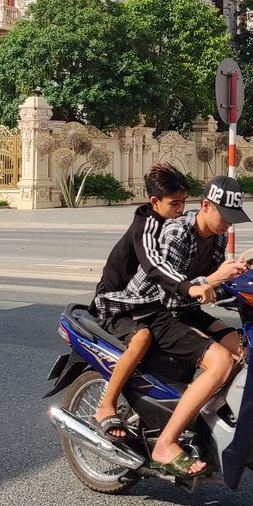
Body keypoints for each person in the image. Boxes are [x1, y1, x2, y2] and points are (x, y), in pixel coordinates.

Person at [93, 174, 251, 478]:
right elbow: (172, 290)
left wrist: (237, 279)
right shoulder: (177, 231)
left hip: (182, 308)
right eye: (225, 217)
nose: (228, 225)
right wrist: (211, 281)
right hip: (153, 310)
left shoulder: (217, 237)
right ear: (206, 206)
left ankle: (212, 422)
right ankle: (165, 442)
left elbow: (205, 284)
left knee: (243, 349)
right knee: (219, 362)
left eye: (234, 219)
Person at [90, 163, 190, 438]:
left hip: (146, 301)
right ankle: (106, 405)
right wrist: (186, 288)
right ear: (154, 201)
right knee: (143, 338)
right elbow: (155, 267)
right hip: (117, 302)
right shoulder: (145, 227)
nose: (180, 209)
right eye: (174, 204)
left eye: (184, 202)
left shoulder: (173, 224)